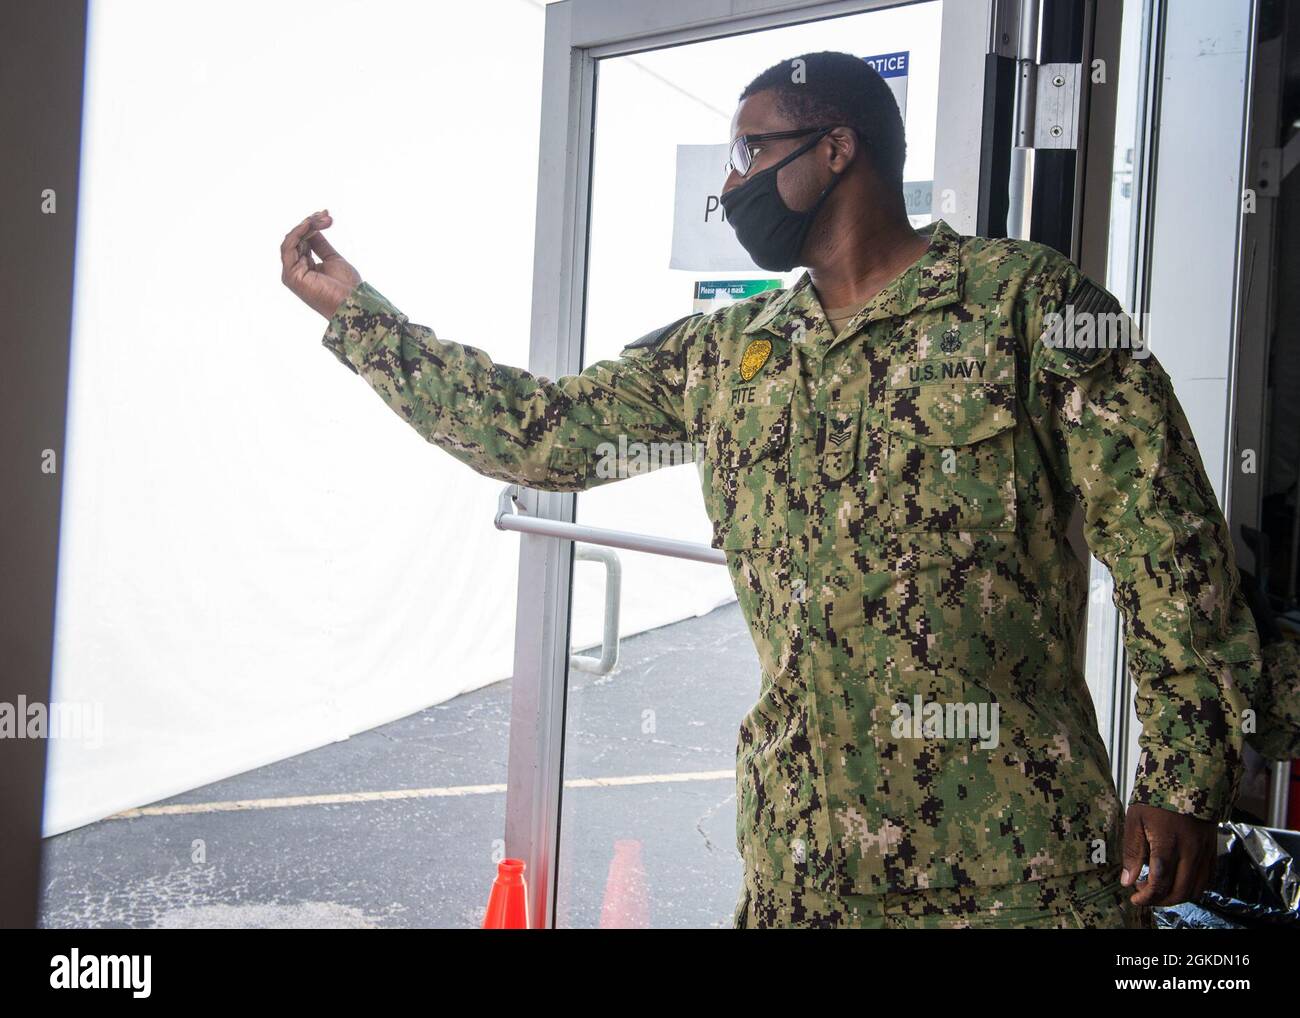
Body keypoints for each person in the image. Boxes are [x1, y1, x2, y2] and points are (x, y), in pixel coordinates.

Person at [281, 50, 1262, 929]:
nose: (733, 181)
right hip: (806, 876)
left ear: (835, 149)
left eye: (751, 151)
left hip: (1014, 874)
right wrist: (359, 317)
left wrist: (1182, 777)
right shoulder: (732, 355)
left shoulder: (1023, 304)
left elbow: (1167, 541)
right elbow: (537, 435)